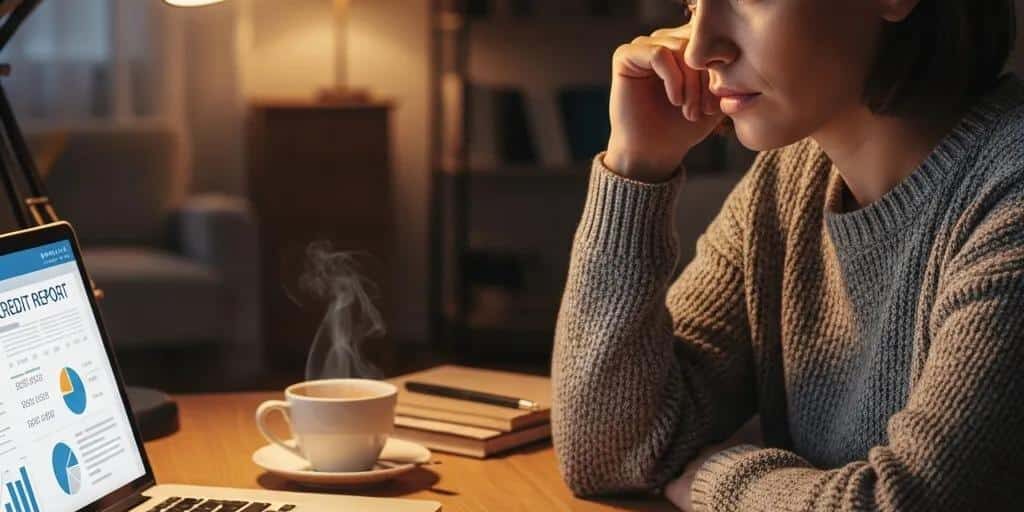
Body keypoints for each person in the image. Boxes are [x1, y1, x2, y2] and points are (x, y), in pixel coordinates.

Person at [550, 0, 1024, 510]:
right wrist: (635, 165)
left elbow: (907, 502)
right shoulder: (785, 184)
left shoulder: (1008, 195)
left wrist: (718, 479)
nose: (702, 47)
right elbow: (607, 454)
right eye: (691, 4)